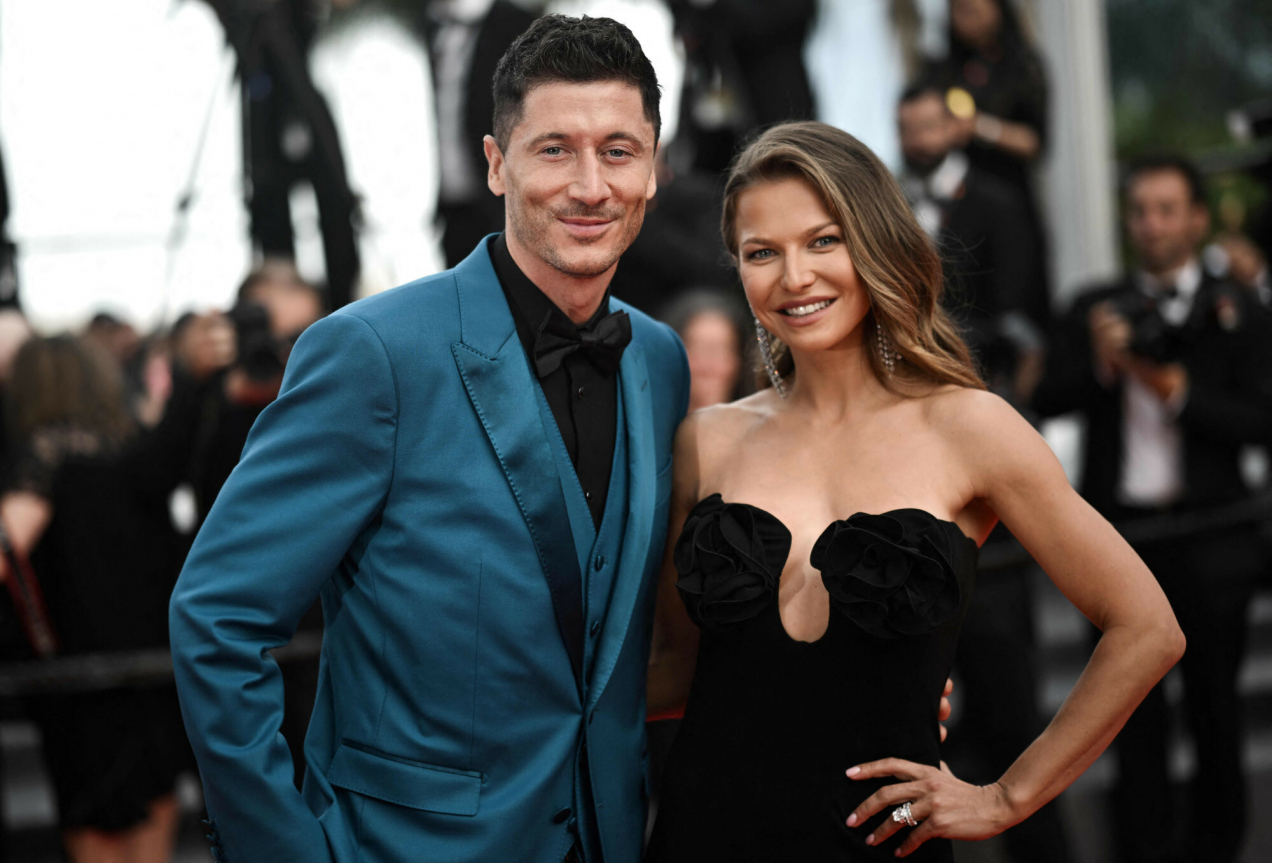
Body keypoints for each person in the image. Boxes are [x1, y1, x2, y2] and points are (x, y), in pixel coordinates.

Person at [169, 15, 690, 863]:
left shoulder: (660, 361)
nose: (591, 185)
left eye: (618, 151)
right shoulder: (373, 353)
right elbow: (218, 617)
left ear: (653, 168)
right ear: (495, 164)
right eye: (555, 149)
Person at [643, 121, 1185, 862]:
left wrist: (1004, 797)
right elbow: (676, 667)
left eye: (824, 240)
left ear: (876, 242)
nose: (794, 276)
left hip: (884, 845)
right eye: (762, 252)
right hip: (704, 836)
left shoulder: (970, 428)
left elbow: (1147, 628)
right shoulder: (706, 440)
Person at [1031, 155, 1272, 863]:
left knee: (1215, 708)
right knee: (1125, 713)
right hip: (1121, 541)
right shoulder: (1096, 305)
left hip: (1213, 535)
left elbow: (1262, 418)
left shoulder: (1238, 307)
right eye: (1140, 211)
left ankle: (1221, 846)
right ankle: (1142, 849)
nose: (1152, 225)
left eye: (1167, 210)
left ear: (1197, 218)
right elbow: (1045, 398)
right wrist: (1103, 363)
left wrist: (1179, 391)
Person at [0, 328, 230, 863]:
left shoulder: (43, 458)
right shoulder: (134, 452)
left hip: (79, 690)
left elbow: (8, 549)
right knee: (155, 818)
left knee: (96, 834)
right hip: (151, 674)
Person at [920, 0, 1050, 320]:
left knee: (1015, 296)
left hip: (1010, 193)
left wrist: (979, 127)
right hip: (955, 200)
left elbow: (1035, 141)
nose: (965, 18)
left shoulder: (1021, 66)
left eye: (973, 10)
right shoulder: (942, 69)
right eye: (958, 10)